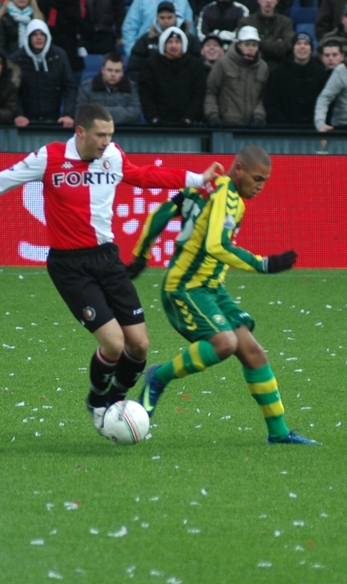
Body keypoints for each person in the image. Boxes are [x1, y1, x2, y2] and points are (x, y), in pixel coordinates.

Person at [0, 103, 223, 435]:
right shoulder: (49, 158)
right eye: (101, 135)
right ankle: (97, 402)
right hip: (70, 266)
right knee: (113, 344)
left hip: (107, 258)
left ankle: (116, 403)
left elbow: (143, 174)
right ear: (80, 132)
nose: (107, 141)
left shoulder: (113, 156)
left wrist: (197, 178)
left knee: (139, 345)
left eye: (111, 135)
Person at [127, 144, 318, 446]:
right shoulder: (224, 195)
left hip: (211, 289)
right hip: (185, 288)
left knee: (253, 353)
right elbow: (216, 245)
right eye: (257, 179)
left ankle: (279, 433)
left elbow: (160, 213)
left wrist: (141, 255)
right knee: (225, 343)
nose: (260, 187)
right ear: (238, 169)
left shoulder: (206, 186)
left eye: (265, 181)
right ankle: (158, 377)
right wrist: (264, 264)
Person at [10, 19, 77, 127]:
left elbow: (69, 87)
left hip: (54, 119)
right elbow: (12, 91)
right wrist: (19, 114)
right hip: (25, 121)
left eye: (42, 34)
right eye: (35, 34)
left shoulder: (59, 56)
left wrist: (68, 114)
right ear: (28, 37)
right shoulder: (16, 59)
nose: (39, 38)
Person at [139, 26, 207, 125]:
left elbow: (199, 94)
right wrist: (153, 117)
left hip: (188, 126)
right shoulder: (151, 64)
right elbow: (146, 94)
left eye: (177, 42)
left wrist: (189, 117)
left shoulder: (195, 65)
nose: (174, 46)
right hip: (158, 125)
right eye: (170, 42)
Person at [204, 26, 268, 126]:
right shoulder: (223, 63)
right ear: (239, 45)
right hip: (226, 125)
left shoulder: (263, 67)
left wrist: (259, 116)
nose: (251, 48)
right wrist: (213, 115)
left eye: (254, 45)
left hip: (253, 126)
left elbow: (264, 96)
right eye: (247, 44)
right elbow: (211, 92)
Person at [127, 1, 200, 84]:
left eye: (169, 17)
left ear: (175, 17)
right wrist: (145, 85)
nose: (166, 21)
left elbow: (198, 64)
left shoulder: (189, 39)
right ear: (157, 18)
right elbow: (135, 66)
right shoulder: (146, 40)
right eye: (162, 18)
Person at [265, 32, 328, 126]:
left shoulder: (321, 74)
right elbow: (272, 104)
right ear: (293, 48)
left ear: (311, 49)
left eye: (306, 44)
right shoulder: (278, 74)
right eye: (298, 43)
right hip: (285, 133)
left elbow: (326, 103)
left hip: (315, 132)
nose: (302, 47)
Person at [76, 51, 142, 125]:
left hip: (125, 132)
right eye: (109, 70)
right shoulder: (86, 87)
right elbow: (80, 114)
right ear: (102, 70)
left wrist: (97, 112)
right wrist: (121, 111)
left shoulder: (132, 87)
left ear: (122, 72)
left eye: (117, 71)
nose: (113, 74)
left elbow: (136, 114)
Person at [236, 0, 295, 72]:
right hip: (250, 67)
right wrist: (275, 42)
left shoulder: (286, 23)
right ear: (258, 1)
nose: (268, 1)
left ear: (277, 1)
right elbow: (240, 46)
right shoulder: (246, 22)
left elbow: (288, 45)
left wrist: (258, 42)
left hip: (278, 68)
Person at [122, 0, 195, 56]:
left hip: (177, 56)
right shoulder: (141, 1)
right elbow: (129, 28)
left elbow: (189, 31)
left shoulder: (183, 2)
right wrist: (134, 54)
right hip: (147, 53)